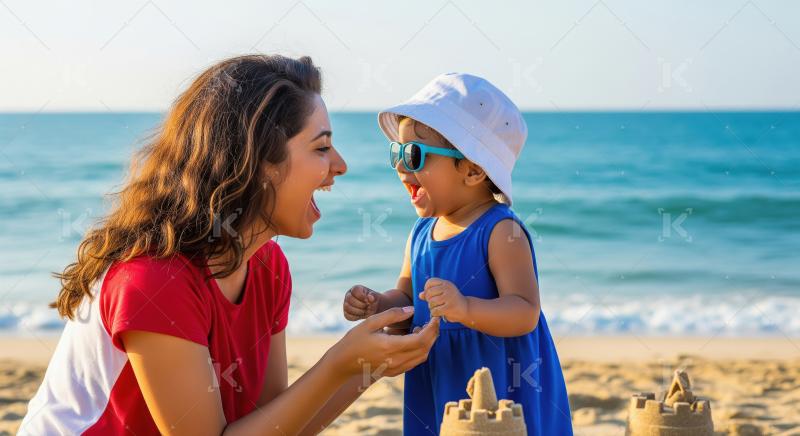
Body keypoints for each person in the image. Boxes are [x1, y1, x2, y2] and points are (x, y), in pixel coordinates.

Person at [19, 54, 439, 436]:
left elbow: (276, 423)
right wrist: (337, 364)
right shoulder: (153, 280)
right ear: (258, 164)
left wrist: (366, 366)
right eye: (321, 147)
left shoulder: (266, 264)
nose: (340, 166)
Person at [342, 73, 572, 435]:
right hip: (440, 378)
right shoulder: (420, 233)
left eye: (415, 155)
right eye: (397, 153)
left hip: (500, 382)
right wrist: (377, 306)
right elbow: (406, 300)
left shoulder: (500, 232)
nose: (402, 167)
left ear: (473, 170)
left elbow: (525, 311)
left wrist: (465, 309)